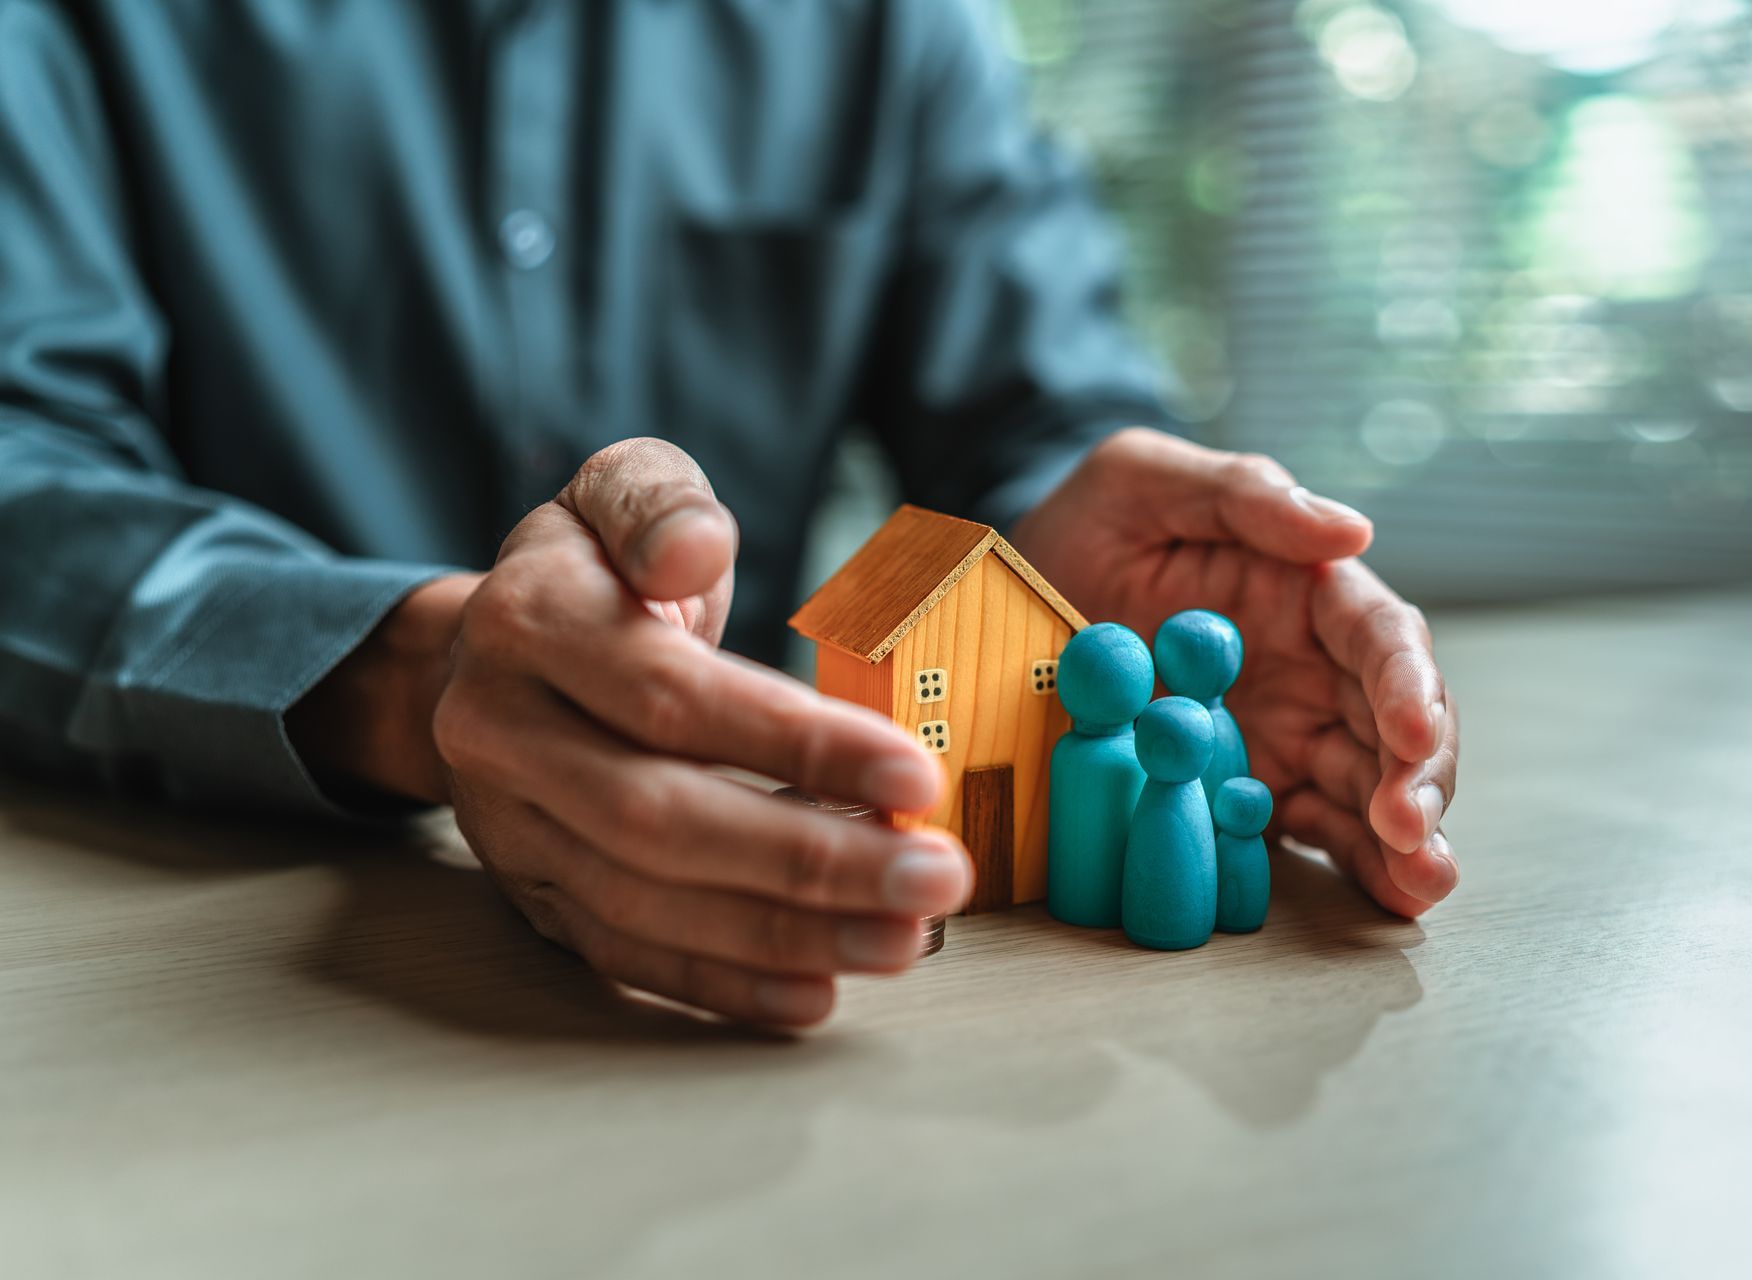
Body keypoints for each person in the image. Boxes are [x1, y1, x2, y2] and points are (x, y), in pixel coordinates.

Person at [0, 0, 1459, 1027]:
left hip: (784, 952)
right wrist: (405, 670)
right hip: (187, 954)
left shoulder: (893, 23)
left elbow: (1039, 410)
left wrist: (1095, 549)